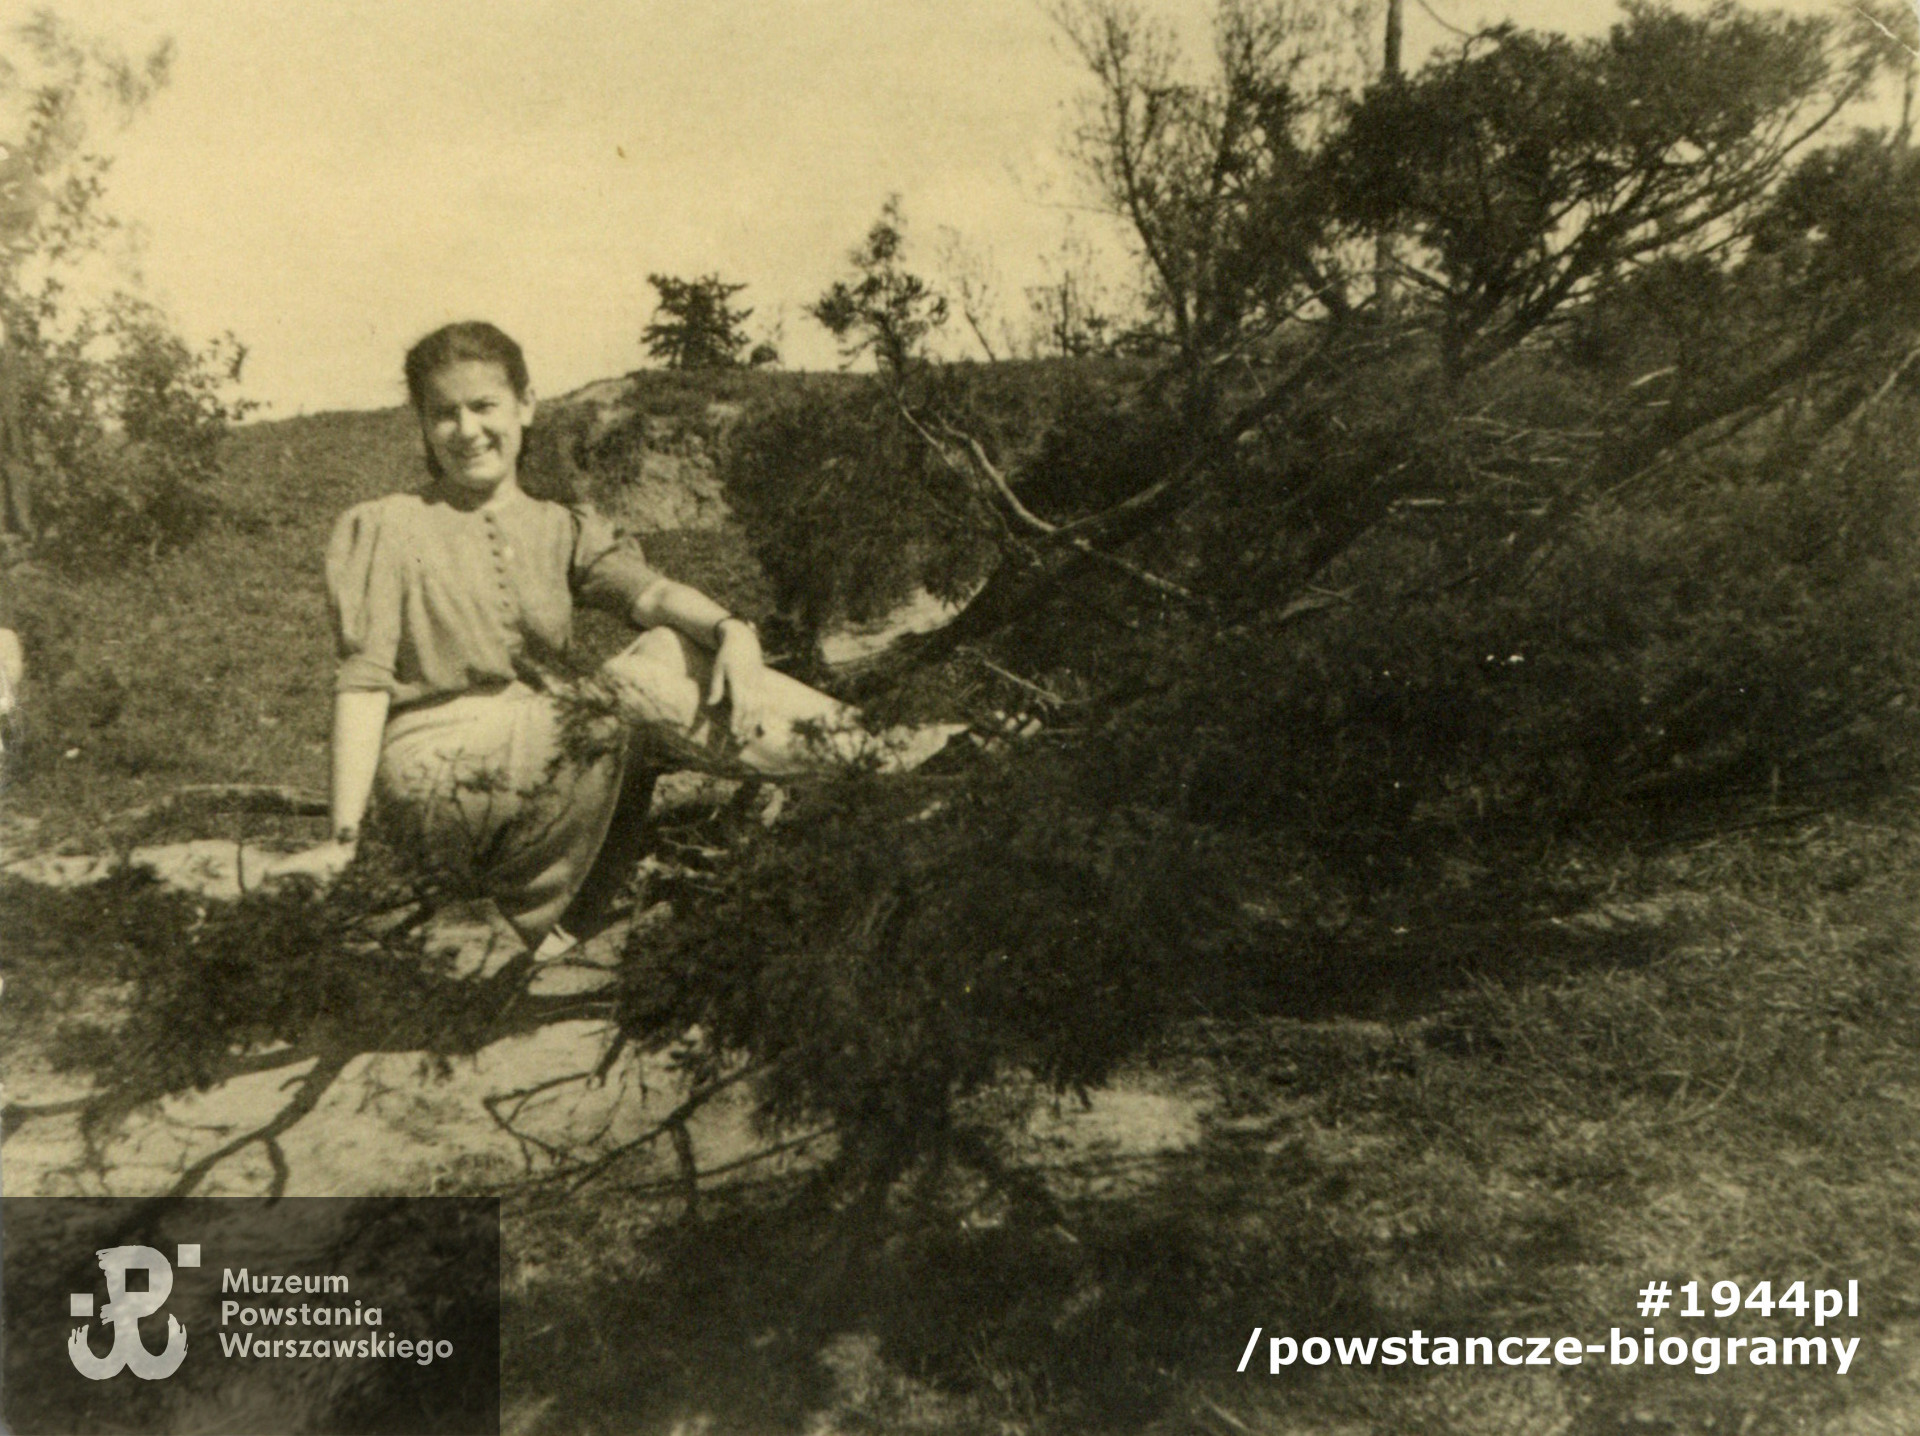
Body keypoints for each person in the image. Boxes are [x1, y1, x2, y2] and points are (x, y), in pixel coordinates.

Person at [265, 320, 946, 954]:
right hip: (436, 773)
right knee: (624, 690)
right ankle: (893, 758)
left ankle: (877, 757)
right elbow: (362, 681)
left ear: (525, 405)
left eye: (484, 406)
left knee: (665, 649)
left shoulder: (561, 525)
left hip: (542, 757)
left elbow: (647, 593)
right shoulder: (385, 524)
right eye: (444, 413)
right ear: (423, 422)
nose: (466, 430)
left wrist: (732, 629)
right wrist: (343, 839)